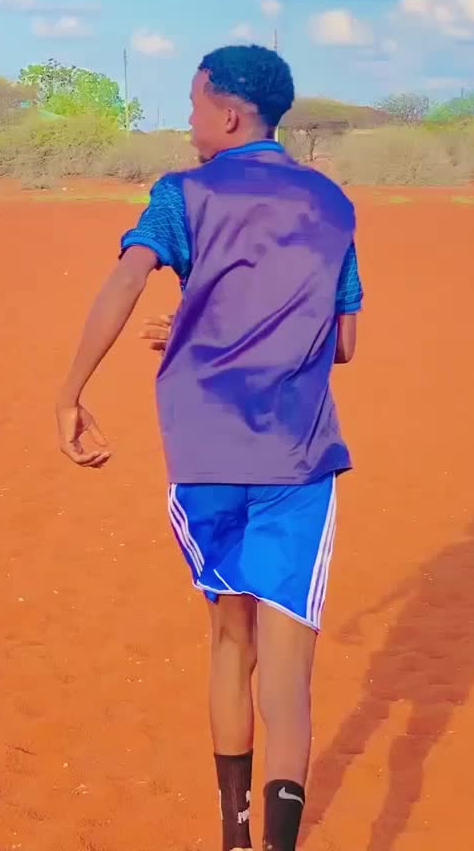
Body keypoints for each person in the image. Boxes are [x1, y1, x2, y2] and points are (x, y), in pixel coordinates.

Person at [56, 44, 362, 851]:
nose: (189, 121)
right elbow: (343, 342)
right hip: (297, 456)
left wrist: (71, 391)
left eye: (194, 105)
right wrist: (212, 328)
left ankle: (234, 837)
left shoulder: (181, 195)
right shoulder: (332, 204)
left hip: (205, 453)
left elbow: (128, 278)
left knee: (231, 637)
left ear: (228, 114)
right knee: (289, 674)